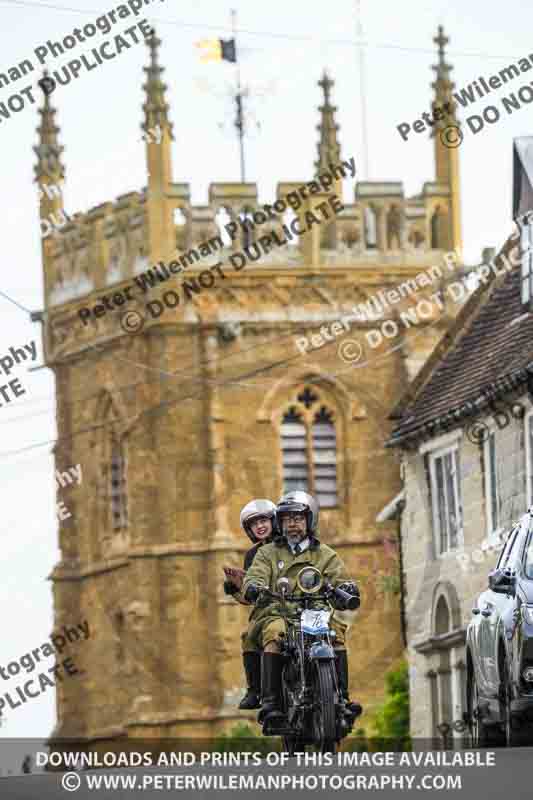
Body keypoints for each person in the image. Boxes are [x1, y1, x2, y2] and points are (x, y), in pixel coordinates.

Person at [242, 490, 362, 725]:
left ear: (310, 520)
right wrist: (254, 586)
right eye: (286, 519)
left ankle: (342, 699)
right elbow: (255, 575)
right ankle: (270, 703)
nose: (292, 524)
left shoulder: (325, 553)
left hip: (315, 610)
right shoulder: (267, 553)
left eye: (298, 518)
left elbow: (339, 577)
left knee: (335, 633)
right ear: (280, 522)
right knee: (274, 634)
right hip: (277, 610)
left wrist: (347, 588)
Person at [223, 499, 277, 709]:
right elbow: (249, 598)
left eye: (263, 520)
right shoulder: (252, 555)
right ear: (249, 530)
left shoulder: (289, 545)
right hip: (267, 610)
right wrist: (235, 588)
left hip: (298, 604)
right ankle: (256, 691)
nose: (260, 526)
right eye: (254, 524)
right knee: (249, 637)